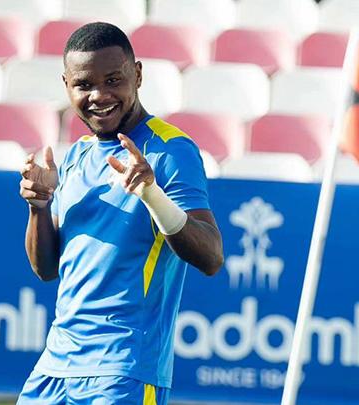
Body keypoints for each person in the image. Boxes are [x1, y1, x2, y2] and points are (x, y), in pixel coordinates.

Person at [17, 22, 224, 404]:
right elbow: (46, 269)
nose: (99, 95)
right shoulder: (77, 155)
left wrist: (152, 194)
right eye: (84, 85)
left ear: (137, 75)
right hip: (55, 367)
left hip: (124, 370)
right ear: (66, 85)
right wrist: (39, 206)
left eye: (113, 80)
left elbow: (211, 256)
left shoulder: (171, 150)